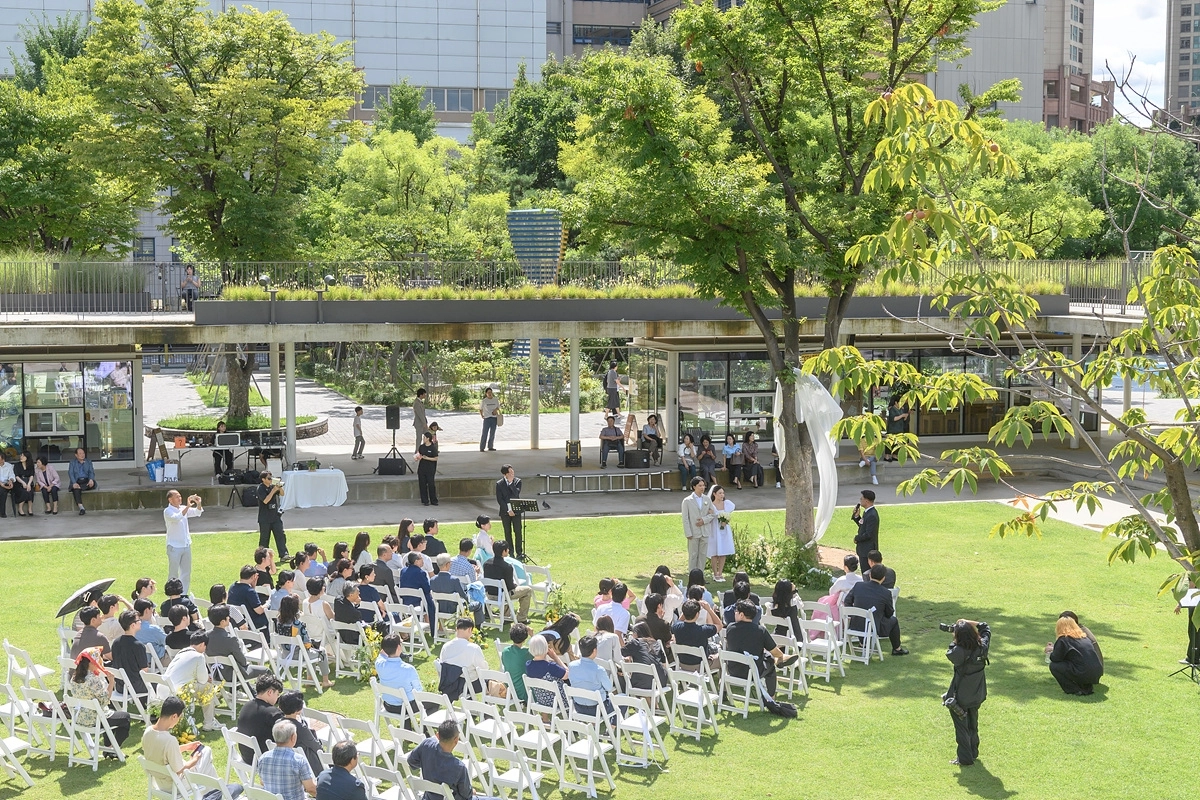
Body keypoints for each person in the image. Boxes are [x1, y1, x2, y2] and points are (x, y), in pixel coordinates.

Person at [143, 695, 241, 799]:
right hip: (176, 784)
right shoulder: (170, 740)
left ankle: (216, 794)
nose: (178, 721)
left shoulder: (148, 732)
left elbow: (161, 752)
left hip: (159, 782)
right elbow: (179, 770)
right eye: (179, 718)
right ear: (174, 716)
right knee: (206, 751)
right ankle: (218, 794)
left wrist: (186, 747)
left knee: (207, 767)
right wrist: (194, 761)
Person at [723, 600, 800, 717]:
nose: (735, 613)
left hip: (733, 670)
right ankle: (771, 697)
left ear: (742, 615)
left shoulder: (730, 628)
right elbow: (775, 651)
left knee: (765, 656)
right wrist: (780, 656)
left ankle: (777, 660)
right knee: (771, 666)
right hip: (752, 672)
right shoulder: (760, 631)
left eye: (736, 611)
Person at [408, 719, 502, 800]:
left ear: (437, 735)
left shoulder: (426, 744)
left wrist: (428, 764)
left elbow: (411, 761)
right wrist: (471, 792)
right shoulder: (458, 767)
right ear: (456, 740)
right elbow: (466, 795)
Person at [944, 619, 991, 767]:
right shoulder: (982, 646)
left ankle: (964, 758)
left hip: (960, 696)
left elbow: (950, 652)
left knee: (962, 727)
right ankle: (973, 752)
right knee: (972, 724)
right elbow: (985, 627)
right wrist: (967, 623)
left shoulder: (958, 652)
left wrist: (956, 635)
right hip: (977, 693)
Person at [844, 564, 909, 656]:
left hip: (855, 624)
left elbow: (847, 601)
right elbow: (889, 613)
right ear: (883, 578)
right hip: (873, 627)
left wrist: (852, 614)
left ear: (870, 575)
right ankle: (897, 648)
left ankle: (862, 643)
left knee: (863, 619)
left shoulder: (858, 586)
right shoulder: (886, 593)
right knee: (893, 620)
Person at [162, 631, 220, 730]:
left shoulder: (181, 653)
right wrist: (207, 678)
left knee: (198, 685)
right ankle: (209, 723)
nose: (205, 650)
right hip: (177, 691)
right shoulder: (199, 656)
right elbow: (203, 680)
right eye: (205, 647)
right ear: (202, 644)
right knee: (208, 687)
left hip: (164, 688)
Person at [276, 594, 334, 689]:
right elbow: (307, 644)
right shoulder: (298, 624)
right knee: (321, 651)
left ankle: (310, 680)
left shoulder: (279, 622)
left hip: (285, 654)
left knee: (311, 651)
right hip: (299, 655)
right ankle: (325, 681)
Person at [255, 719, 317, 800]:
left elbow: (262, 782)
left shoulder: (263, 758)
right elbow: (311, 789)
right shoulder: (298, 760)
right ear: (293, 737)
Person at [207, 603, 267, 681]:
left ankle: (249, 689)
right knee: (266, 670)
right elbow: (243, 661)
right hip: (233, 674)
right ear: (222, 621)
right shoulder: (230, 639)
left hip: (216, 674)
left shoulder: (206, 636)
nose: (229, 618)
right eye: (227, 617)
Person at [1047, 615, 1104, 695]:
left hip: (1083, 672)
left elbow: (1055, 658)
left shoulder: (1063, 639)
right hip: (1096, 672)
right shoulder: (1084, 638)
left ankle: (1073, 690)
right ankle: (1087, 688)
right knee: (1079, 664)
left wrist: (1051, 651)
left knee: (1054, 666)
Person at [236, 673, 284, 762]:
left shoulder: (246, 706)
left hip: (247, 757)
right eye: (277, 694)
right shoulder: (273, 713)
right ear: (270, 692)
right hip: (266, 760)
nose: (277, 698)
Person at [278, 690, 325, 780]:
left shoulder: (278, 723)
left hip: (287, 764)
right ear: (298, 710)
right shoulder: (300, 728)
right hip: (307, 766)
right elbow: (316, 747)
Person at [483, 540, 532, 623]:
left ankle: (506, 616)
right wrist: (515, 585)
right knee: (527, 590)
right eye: (507, 549)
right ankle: (521, 618)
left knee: (505, 590)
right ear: (503, 551)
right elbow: (510, 587)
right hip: (503, 595)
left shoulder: (486, 564)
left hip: (489, 594)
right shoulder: (507, 567)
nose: (508, 550)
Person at [164, 489, 203, 595]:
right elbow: (177, 518)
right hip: (174, 547)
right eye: (177, 497)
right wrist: (188, 506)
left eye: (180, 496)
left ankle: (183, 594)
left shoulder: (183, 508)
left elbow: (197, 512)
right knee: (173, 573)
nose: (179, 498)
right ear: (170, 500)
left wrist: (198, 503)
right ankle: (172, 595)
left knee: (186, 572)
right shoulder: (168, 511)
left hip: (186, 545)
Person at [568, 635, 614, 719]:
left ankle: (593, 723)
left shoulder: (572, 666)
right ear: (594, 650)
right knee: (622, 699)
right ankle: (612, 726)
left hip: (578, 706)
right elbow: (609, 687)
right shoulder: (599, 670)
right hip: (597, 708)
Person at [375, 634, 423, 714]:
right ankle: (421, 723)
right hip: (407, 707)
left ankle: (408, 722)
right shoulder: (408, 669)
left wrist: (389, 643)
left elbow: (382, 654)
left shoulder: (379, 664)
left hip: (388, 705)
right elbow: (419, 691)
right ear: (398, 647)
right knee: (435, 703)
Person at [432, 553, 482, 627]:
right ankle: (477, 629)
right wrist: (469, 599)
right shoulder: (454, 580)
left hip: (439, 608)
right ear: (447, 564)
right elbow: (463, 595)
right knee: (478, 604)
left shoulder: (432, 580)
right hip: (454, 609)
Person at [441, 618, 488, 692]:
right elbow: (483, 670)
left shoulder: (446, 646)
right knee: (489, 681)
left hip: (448, 684)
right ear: (470, 629)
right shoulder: (474, 648)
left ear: (456, 629)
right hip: (468, 685)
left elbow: (442, 665)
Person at [671, 599, 721, 671]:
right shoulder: (703, 630)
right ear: (697, 614)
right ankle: (722, 678)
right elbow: (719, 625)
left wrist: (687, 609)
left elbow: (679, 620)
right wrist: (709, 610)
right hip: (701, 666)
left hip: (683, 664)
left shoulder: (676, 627)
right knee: (722, 657)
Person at [110, 610, 149, 698]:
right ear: (133, 625)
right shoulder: (138, 645)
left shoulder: (116, 642)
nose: (140, 622)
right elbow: (144, 670)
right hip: (135, 686)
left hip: (120, 686)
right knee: (160, 685)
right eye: (138, 620)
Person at [681, 477, 716, 574]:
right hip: (693, 531)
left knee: (702, 555)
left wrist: (704, 520)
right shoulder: (687, 501)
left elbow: (713, 514)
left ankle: (700, 575)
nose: (702, 488)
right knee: (693, 554)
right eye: (700, 486)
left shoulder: (707, 499)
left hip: (704, 531)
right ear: (694, 487)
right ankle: (692, 575)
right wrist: (688, 533)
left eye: (703, 485)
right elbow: (685, 518)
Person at [524, 633, 568, 708]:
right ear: (545, 647)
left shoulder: (528, 665)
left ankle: (545, 715)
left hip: (541, 700)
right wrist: (555, 657)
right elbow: (567, 675)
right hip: (558, 701)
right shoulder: (550, 666)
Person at [228, 565, 270, 635]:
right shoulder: (249, 591)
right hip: (251, 621)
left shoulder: (232, 587)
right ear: (253, 576)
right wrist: (268, 603)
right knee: (270, 615)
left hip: (236, 620)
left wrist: (253, 586)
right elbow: (259, 611)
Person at [256, 472, 287, 557]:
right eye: (269, 478)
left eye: (271, 478)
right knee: (264, 539)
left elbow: (282, 494)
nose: (270, 480)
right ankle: (262, 556)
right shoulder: (260, 488)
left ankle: (284, 554)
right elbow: (265, 501)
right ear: (263, 479)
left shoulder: (272, 486)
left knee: (280, 535)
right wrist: (273, 491)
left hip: (275, 516)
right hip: (265, 518)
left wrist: (279, 487)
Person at [495, 465, 524, 558]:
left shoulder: (517, 481)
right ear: (505, 474)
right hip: (505, 512)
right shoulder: (499, 484)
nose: (512, 474)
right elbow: (500, 499)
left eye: (513, 472)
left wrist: (511, 483)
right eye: (510, 472)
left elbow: (516, 493)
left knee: (518, 531)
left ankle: (519, 552)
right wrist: (508, 510)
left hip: (516, 511)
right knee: (507, 533)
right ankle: (510, 552)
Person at [708, 484, 735, 582]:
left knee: (723, 552)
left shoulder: (727, 504)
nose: (722, 495)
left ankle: (720, 573)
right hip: (714, 529)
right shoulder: (711, 505)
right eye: (719, 493)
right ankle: (715, 573)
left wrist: (725, 521)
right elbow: (709, 518)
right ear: (714, 494)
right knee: (714, 552)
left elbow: (728, 515)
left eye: (723, 493)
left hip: (724, 530)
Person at [400, 551, 435, 622]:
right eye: (421, 559)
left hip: (405, 601)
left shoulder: (403, 571)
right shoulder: (421, 573)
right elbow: (427, 589)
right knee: (430, 600)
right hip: (418, 603)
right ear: (416, 561)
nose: (423, 560)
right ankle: (431, 624)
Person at [500, 623, 531, 703]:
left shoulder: (505, 651)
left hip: (509, 689)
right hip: (523, 692)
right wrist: (532, 635)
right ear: (524, 639)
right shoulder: (525, 653)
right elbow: (539, 648)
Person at [851, 490, 879, 574]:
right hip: (864, 550)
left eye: (862, 498)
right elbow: (863, 526)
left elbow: (869, 534)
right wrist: (857, 517)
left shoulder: (872, 515)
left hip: (867, 550)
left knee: (867, 573)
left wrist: (857, 538)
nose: (860, 500)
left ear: (866, 501)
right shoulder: (867, 512)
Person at [68, 447, 97, 515]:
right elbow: (71, 473)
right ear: (76, 455)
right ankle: (81, 508)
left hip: (86, 480)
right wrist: (74, 483)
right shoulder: (72, 463)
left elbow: (91, 472)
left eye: (83, 453)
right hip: (77, 481)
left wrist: (91, 479)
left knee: (92, 484)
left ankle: (78, 487)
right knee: (76, 489)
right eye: (80, 453)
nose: (82, 455)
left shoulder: (88, 462)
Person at [416, 430, 439, 506]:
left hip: (430, 468)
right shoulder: (422, 447)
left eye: (424, 437)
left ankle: (433, 500)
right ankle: (425, 500)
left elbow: (436, 458)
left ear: (428, 438)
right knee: (422, 484)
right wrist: (417, 457)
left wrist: (427, 458)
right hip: (422, 468)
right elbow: (419, 454)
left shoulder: (433, 448)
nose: (423, 439)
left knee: (431, 484)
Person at [884, 396, 909, 461]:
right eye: (899, 402)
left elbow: (903, 419)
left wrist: (905, 416)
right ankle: (887, 456)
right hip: (892, 429)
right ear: (896, 402)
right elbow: (894, 419)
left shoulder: (901, 409)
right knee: (890, 443)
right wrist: (902, 415)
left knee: (897, 443)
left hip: (899, 429)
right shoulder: (892, 409)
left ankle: (894, 455)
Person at [11, 451, 34, 517]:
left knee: (30, 491)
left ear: (27, 457)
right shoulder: (17, 465)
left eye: (23, 456)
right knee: (24, 491)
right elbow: (16, 476)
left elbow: (31, 475)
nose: (21, 457)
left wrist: (29, 484)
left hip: (28, 481)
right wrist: (23, 483)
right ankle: (20, 508)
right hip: (19, 482)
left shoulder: (30, 465)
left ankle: (30, 508)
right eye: (21, 455)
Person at [479, 387, 500, 452]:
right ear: (486, 393)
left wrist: (495, 410)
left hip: (494, 418)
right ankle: (482, 447)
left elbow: (498, 407)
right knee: (485, 433)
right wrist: (482, 415)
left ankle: (490, 446)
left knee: (492, 433)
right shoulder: (484, 401)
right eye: (488, 393)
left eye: (490, 392)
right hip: (487, 418)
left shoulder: (495, 400)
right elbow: (480, 409)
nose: (490, 394)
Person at [0, 453, 12, 518]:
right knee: (2, 491)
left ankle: (2, 512)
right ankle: (2, 512)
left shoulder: (9, 466)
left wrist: (11, 480)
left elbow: (12, 475)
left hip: (6, 484)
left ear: (3, 460)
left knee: (3, 491)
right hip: (1, 485)